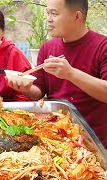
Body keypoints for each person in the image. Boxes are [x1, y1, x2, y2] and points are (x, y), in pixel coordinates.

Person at [7, 0, 107, 148]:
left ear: (77, 16)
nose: (48, 19)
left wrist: (71, 73)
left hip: (95, 141)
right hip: (55, 136)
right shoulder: (47, 48)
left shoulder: (102, 46)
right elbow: (39, 91)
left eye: (54, 13)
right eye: (47, 13)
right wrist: (25, 88)